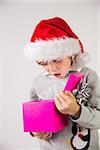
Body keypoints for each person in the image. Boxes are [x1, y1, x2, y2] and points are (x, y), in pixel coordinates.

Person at [24, 17, 100, 150]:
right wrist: (36, 132)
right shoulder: (38, 82)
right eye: (43, 63)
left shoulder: (88, 76)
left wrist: (76, 111)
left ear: (71, 54)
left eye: (57, 59)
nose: (52, 69)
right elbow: (34, 119)